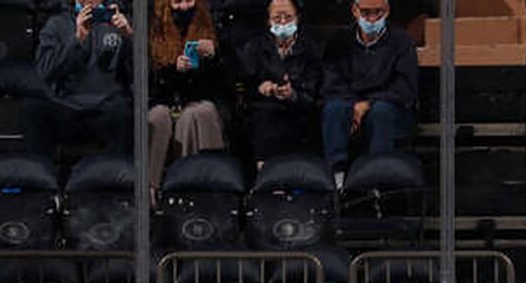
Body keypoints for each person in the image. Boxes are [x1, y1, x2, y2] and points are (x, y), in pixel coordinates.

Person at [321, 0, 418, 189]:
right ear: (354, 11)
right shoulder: (339, 41)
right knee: (334, 108)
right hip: (348, 102)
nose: (372, 19)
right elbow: (331, 83)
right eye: (366, 13)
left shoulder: (402, 41)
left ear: (388, 10)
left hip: (388, 106)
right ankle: (337, 174)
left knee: (382, 111)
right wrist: (353, 105)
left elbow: (404, 88)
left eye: (378, 13)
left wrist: (368, 104)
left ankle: (376, 177)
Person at [148, 0, 228, 201]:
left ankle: (189, 187)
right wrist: (173, 70)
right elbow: (148, 81)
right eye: (177, 2)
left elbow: (228, 83)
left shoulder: (212, 29)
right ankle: (149, 190)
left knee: (197, 113)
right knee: (158, 116)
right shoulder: (152, 31)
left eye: (188, 1)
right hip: (162, 100)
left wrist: (213, 58)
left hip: (199, 100)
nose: (184, 7)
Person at [30, 0, 134, 156]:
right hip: (66, 105)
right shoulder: (57, 23)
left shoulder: (120, 21)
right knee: (34, 108)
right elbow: (44, 71)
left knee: (124, 113)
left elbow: (140, 73)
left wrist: (129, 38)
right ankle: (41, 174)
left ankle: (116, 175)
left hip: (106, 106)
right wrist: (77, 40)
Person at [239, 0, 322, 166]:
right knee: (264, 118)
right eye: (277, 18)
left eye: (288, 17)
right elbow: (245, 86)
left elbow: (314, 88)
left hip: (301, 110)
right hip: (264, 110)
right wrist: (261, 88)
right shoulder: (254, 47)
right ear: (268, 21)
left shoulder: (311, 49)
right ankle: (264, 177)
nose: (283, 22)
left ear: (297, 19)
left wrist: (293, 94)